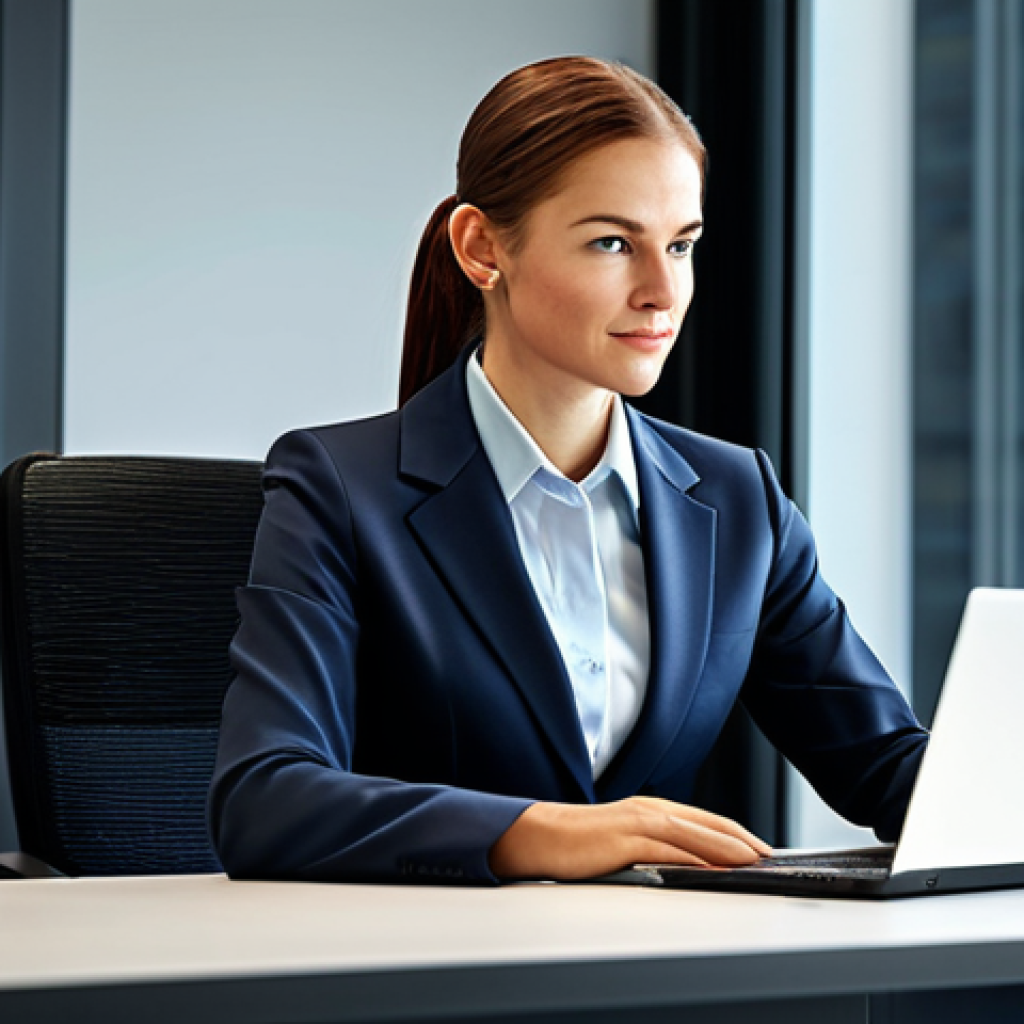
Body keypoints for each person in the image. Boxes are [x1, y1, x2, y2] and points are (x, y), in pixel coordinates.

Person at [208, 56, 928, 884]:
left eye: (682, 244)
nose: (663, 291)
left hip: (651, 981)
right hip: (426, 973)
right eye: (613, 243)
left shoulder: (739, 501)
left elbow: (889, 766)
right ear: (483, 249)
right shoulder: (338, 487)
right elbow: (264, 800)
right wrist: (549, 833)